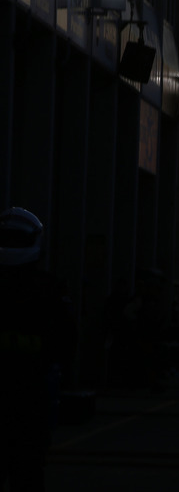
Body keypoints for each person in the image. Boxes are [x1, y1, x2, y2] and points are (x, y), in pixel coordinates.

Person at [0, 207, 76, 491]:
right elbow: (67, 346)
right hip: (30, 407)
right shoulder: (49, 291)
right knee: (28, 476)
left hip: (28, 406)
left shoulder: (48, 290)